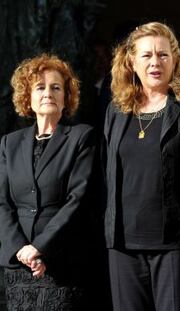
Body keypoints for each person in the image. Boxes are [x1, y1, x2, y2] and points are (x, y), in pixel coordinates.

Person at [102, 21, 180, 311]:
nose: (155, 62)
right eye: (146, 55)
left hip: (175, 242)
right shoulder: (117, 109)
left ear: (175, 60)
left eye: (163, 54)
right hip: (123, 243)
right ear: (131, 61)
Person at [0, 54, 95, 310]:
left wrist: (40, 248)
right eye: (40, 87)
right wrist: (21, 249)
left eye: (56, 87)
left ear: (67, 97)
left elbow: (79, 200)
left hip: (62, 263)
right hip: (19, 265)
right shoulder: (10, 143)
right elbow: (2, 203)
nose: (48, 93)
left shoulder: (81, 137)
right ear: (27, 97)